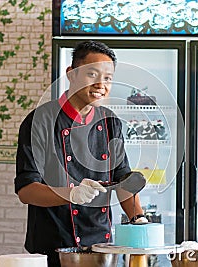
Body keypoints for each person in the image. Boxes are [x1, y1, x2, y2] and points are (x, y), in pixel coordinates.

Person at [14, 40, 147, 266]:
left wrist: (138, 218)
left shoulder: (110, 122)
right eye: (92, 74)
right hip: (52, 247)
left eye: (107, 78)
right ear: (71, 74)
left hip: (102, 248)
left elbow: (123, 180)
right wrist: (71, 194)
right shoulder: (40, 121)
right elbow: (26, 190)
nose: (100, 84)